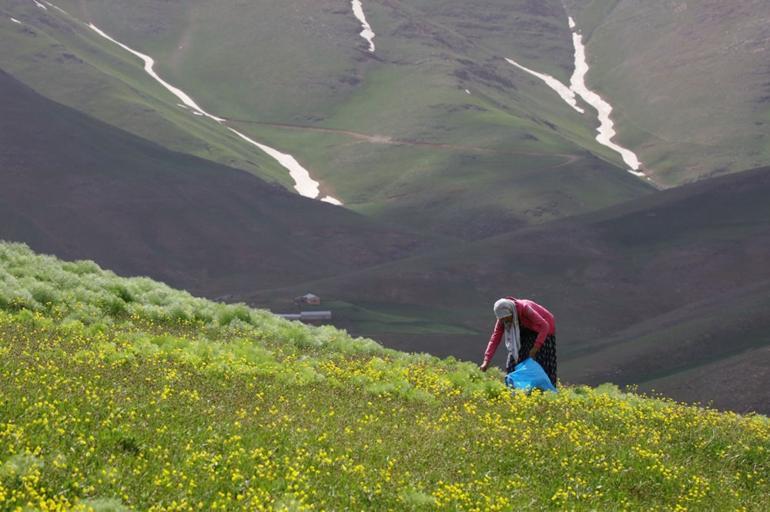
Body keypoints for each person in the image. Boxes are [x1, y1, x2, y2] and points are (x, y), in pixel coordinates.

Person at [479, 296, 557, 385]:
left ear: (511, 312)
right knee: (513, 361)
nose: (505, 321)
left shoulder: (524, 309)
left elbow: (544, 326)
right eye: (502, 319)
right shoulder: (502, 318)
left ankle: (545, 389)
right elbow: (495, 339)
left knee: (539, 362)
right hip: (525, 329)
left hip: (543, 329)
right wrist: (486, 361)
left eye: (506, 318)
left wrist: (536, 348)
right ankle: (516, 388)